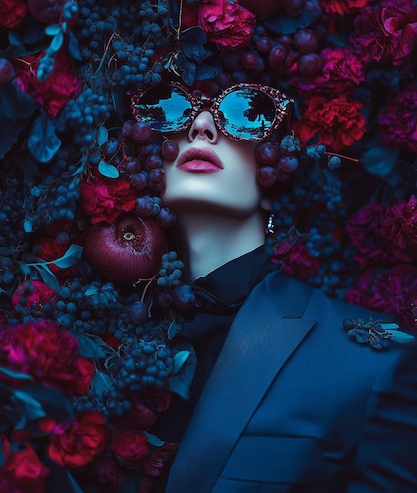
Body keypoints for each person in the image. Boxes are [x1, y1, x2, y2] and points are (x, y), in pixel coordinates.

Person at [133, 81, 417, 493]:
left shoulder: (376, 362)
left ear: (279, 169)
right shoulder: (79, 331)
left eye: (246, 112)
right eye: (170, 107)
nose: (202, 125)